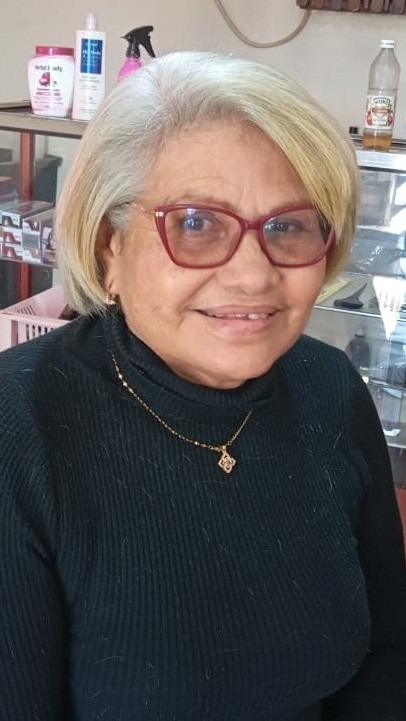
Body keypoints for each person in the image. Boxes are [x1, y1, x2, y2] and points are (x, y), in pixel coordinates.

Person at [0, 51, 405, 721]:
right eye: (195, 223)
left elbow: (387, 652)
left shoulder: (330, 387)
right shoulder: (19, 432)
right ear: (108, 247)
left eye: (288, 226)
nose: (253, 275)